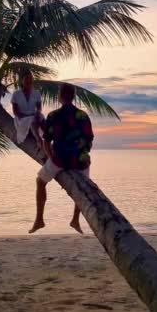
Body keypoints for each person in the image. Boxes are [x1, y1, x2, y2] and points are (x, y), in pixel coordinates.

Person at [29, 82, 94, 235]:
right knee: (82, 188)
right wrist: (81, 154)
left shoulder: (53, 116)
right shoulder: (83, 116)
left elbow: (46, 141)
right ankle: (75, 220)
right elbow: (89, 139)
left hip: (60, 160)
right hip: (80, 161)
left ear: (60, 96)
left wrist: (51, 157)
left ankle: (39, 219)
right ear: (73, 96)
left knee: (40, 181)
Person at [11, 70, 44, 146]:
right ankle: (38, 139)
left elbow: (39, 108)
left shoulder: (36, 93)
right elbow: (15, 112)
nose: (28, 81)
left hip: (33, 116)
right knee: (31, 120)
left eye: (30, 79)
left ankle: (50, 139)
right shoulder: (16, 94)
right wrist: (27, 116)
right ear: (22, 81)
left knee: (42, 119)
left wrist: (38, 112)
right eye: (26, 79)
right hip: (21, 119)